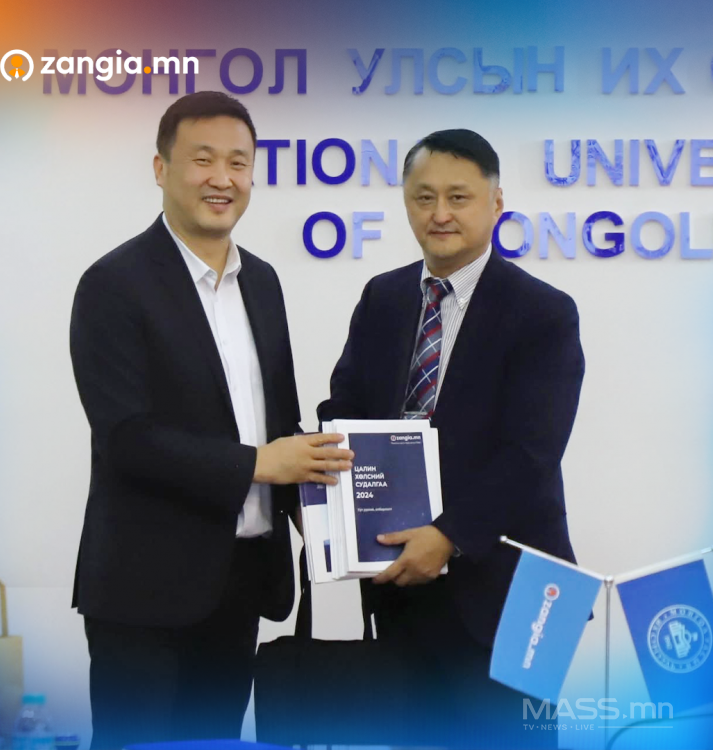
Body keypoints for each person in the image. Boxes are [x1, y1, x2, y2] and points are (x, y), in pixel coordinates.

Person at [69, 91, 353, 750]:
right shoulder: (113, 284)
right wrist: (259, 464)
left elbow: (278, 422)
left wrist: (338, 512)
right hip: (144, 592)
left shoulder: (264, 283)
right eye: (202, 159)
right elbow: (126, 438)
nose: (222, 178)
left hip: (240, 582)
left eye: (238, 162)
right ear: (161, 168)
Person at [318, 129, 584, 748]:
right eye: (423, 197)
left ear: (496, 203)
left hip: (519, 593)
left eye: (458, 197)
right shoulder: (383, 297)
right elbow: (347, 404)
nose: (440, 213)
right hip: (404, 582)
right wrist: (332, 486)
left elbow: (533, 453)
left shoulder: (544, 312)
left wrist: (448, 536)